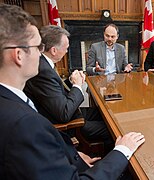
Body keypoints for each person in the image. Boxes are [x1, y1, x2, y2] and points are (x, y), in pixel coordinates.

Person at [0, 4, 145, 179]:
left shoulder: (12, 101)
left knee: (107, 114)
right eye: (38, 47)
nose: (41, 54)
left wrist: (72, 156)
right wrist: (122, 150)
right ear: (18, 55)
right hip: (74, 134)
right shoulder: (24, 124)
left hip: (69, 152)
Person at [23, 25, 113, 153]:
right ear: (54, 50)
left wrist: (71, 81)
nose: (66, 51)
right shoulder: (42, 70)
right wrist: (77, 86)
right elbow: (64, 113)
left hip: (67, 111)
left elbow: (55, 89)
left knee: (105, 113)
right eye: (65, 48)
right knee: (110, 128)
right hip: (66, 124)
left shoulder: (43, 63)